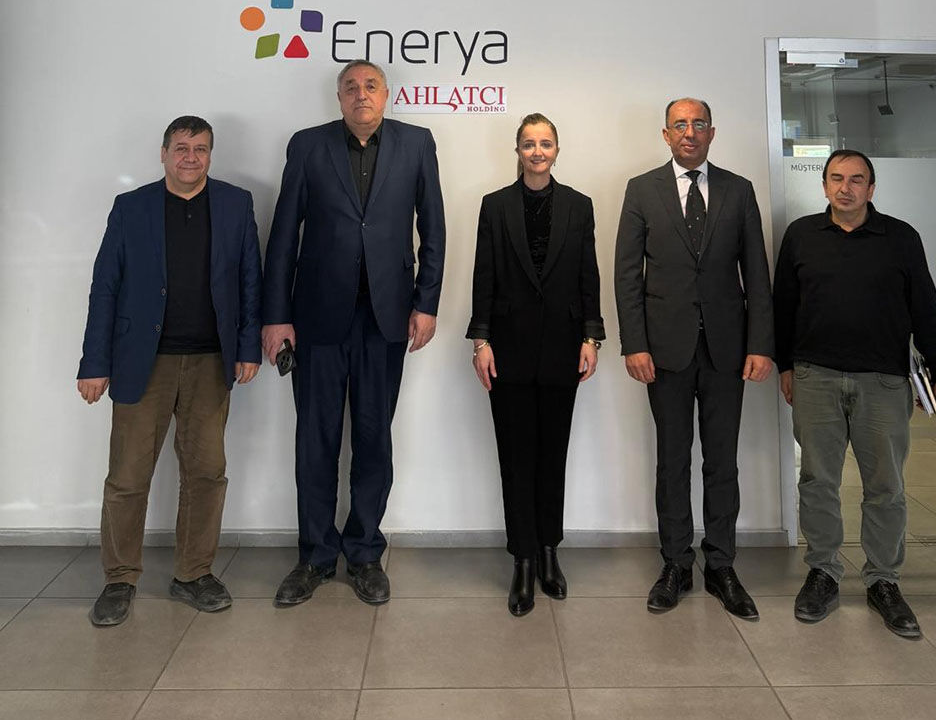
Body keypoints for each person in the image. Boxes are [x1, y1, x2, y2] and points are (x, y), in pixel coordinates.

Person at [262, 59, 446, 607]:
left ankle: (364, 552)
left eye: (370, 86)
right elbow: (283, 234)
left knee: (373, 438)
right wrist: (276, 315)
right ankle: (315, 557)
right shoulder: (308, 145)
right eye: (350, 88)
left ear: (386, 95)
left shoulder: (416, 144)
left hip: (386, 319)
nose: (361, 94)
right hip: (316, 318)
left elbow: (433, 227)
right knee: (315, 441)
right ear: (338, 98)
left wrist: (427, 303)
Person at [77, 116, 263, 626]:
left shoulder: (235, 204)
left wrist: (248, 347)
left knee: (206, 473)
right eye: (181, 148)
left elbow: (251, 279)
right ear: (163, 154)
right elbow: (105, 287)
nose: (190, 157)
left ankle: (193, 573)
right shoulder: (131, 207)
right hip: (142, 362)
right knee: (128, 476)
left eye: (200, 149)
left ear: (210, 155)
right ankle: (119, 578)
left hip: (211, 361)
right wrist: (95, 363)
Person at [774, 149, 936, 639]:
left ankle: (883, 581)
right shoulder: (801, 235)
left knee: (886, 486)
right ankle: (823, 572)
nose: (845, 187)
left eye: (856, 180)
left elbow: (925, 308)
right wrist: (786, 365)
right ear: (824, 185)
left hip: (884, 382)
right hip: (815, 377)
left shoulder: (901, 238)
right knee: (817, 480)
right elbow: (783, 306)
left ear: (871, 189)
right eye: (836, 178)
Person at [614, 98, 774, 620]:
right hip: (665, 351)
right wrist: (634, 343)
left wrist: (760, 343)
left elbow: (757, 273)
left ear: (712, 132)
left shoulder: (738, 190)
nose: (689, 132)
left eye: (698, 124)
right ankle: (676, 564)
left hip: (728, 350)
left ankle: (721, 565)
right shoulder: (642, 190)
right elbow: (626, 274)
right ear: (665, 135)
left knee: (722, 461)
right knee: (672, 460)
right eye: (680, 125)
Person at [467, 113, 604, 616]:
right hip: (508, 348)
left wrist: (591, 336)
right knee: (516, 457)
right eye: (529, 143)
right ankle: (523, 559)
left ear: (557, 150)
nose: (537, 151)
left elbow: (589, 275)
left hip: (564, 347)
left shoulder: (580, 206)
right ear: (518, 150)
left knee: (553, 455)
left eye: (546, 143)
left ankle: (549, 552)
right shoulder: (495, 205)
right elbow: (483, 276)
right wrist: (480, 341)